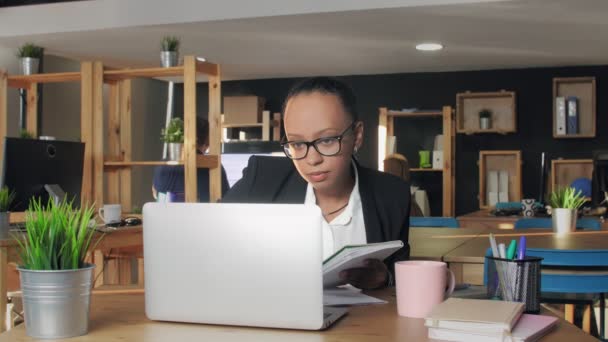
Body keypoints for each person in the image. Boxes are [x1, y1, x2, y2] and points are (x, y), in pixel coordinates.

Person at [222, 77, 410, 289]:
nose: (312, 159)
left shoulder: (393, 195)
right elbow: (208, 240)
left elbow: (399, 276)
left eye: (327, 140)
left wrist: (385, 278)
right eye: (297, 144)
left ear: (357, 136)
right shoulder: (260, 182)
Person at [152, 117, 230, 202]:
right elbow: (226, 201)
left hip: (163, 214)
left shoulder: (162, 165)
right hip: (200, 214)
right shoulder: (212, 165)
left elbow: (156, 194)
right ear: (208, 142)